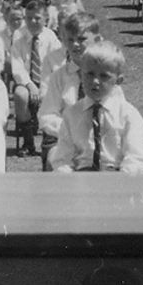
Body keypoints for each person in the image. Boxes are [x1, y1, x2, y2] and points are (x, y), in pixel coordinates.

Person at [49, 40, 143, 174]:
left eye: (104, 76)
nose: (95, 81)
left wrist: (123, 180)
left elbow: (135, 159)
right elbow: (62, 159)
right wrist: (67, 179)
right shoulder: (71, 114)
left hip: (116, 179)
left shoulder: (128, 115)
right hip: (79, 180)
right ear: (81, 74)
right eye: (89, 74)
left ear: (118, 80)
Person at [39, 12, 103, 171]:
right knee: (56, 163)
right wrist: (72, 130)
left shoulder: (105, 76)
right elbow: (46, 115)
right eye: (70, 40)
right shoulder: (59, 77)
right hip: (62, 139)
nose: (75, 45)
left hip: (97, 137)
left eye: (81, 39)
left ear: (97, 39)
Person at [10, 0, 65, 156]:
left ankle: (49, 140)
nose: (32, 22)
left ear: (46, 19)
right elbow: (17, 64)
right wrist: (29, 84)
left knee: (52, 96)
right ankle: (28, 142)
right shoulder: (18, 35)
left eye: (37, 18)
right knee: (20, 95)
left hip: (46, 81)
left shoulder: (51, 38)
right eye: (28, 18)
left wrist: (43, 87)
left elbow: (56, 66)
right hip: (27, 82)